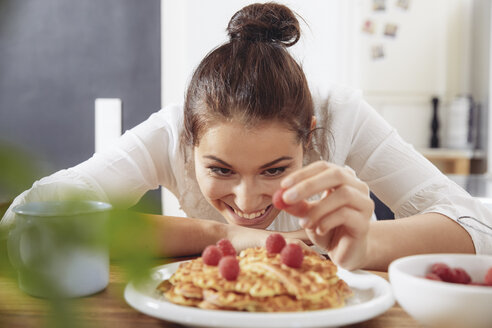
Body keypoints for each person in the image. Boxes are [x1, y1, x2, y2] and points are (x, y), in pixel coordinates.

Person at [1, 2, 491, 271]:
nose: (248, 199)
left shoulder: (341, 114)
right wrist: (220, 234)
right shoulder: (173, 128)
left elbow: (480, 228)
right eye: (220, 169)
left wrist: (365, 245)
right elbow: (30, 217)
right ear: (190, 143)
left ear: (311, 136)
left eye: (276, 169)